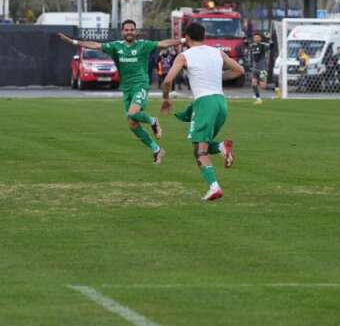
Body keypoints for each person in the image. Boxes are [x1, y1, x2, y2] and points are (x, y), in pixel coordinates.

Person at [58, 21, 181, 165]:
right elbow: (95, 45)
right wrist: (73, 41)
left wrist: (184, 40)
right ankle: (156, 150)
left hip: (140, 85)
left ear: (135, 32)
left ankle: (153, 121)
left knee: (132, 113)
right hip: (127, 88)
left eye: (132, 29)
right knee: (132, 124)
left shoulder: (143, 45)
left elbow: (163, 43)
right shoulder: (116, 46)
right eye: (127, 30)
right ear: (122, 32)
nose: (129, 32)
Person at [161, 22, 241, 201]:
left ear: (187, 37)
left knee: (200, 152)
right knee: (198, 146)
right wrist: (218, 77)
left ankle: (214, 187)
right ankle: (221, 147)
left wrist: (166, 98)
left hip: (204, 103)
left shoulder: (184, 56)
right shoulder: (217, 52)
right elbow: (239, 70)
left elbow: (167, 81)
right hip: (221, 103)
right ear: (204, 36)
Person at [247, 31, 271, 104]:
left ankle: (276, 88)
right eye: (255, 37)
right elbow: (247, 47)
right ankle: (258, 99)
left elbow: (270, 46)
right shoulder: (252, 46)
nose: (256, 39)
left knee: (263, 86)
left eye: (258, 37)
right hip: (255, 68)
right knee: (253, 83)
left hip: (263, 68)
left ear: (260, 38)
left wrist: (269, 39)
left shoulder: (263, 45)